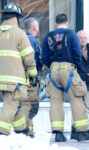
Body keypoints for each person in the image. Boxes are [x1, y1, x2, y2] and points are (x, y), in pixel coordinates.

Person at [42, 14, 89, 142]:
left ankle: (58, 133)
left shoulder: (48, 36)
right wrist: (71, 66)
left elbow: (45, 57)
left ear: (55, 22)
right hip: (68, 70)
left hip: (53, 70)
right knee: (76, 99)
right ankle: (81, 132)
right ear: (67, 22)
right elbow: (77, 54)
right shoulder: (72, 35)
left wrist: (53, 65)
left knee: (55, 102)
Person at [0, 3, 37, 135]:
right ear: (16, 18)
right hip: (14, 80)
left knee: (15, 106)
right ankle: (2, 132)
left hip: (1, 80)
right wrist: (33, 75)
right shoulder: (20, 34)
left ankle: (22, 130)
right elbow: (28, 58)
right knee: (10, 105)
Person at [70, 30, 89, 140]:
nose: (83, 40)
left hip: (88, 82)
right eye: (81, 38)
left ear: (88, 39)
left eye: (85, 38)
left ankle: (86, 130)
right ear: (77, 39)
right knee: (77, 107)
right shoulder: (73, 50)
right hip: (77, 83)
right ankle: (76, 131)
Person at [22, 17, 42, 138]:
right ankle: (28, 132)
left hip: (19, 77)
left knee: (25, 104)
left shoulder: (20, 39)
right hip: (30, 77)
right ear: (35, 28)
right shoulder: (33, 41)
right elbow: (37, 60)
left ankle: (27, 130)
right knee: (31, 105)